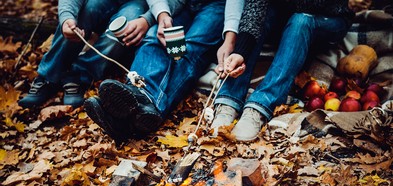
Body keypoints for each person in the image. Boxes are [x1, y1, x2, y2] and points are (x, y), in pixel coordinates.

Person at [84, 0, 244, 143]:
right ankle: (139, 103)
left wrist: (230, 39)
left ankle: (131, 114)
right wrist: (162, 15)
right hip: (179, 3)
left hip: (219, 6)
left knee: (188, 50)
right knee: (153, 37)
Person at [210, 0, 356, 142]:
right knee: (261, 16)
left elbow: (310, 5)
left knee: (300, 20)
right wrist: (241, 52)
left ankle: (260, 106)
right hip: (285, 13)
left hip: (328, 16)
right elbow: (255, 7)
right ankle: (229, 99)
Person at [18, 0, 153, 109]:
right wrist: (66, 18)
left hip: (141, 5)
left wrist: (147, 19)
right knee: (83, 12)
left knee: (126, 27)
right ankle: (48, 76)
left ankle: (78, 76)